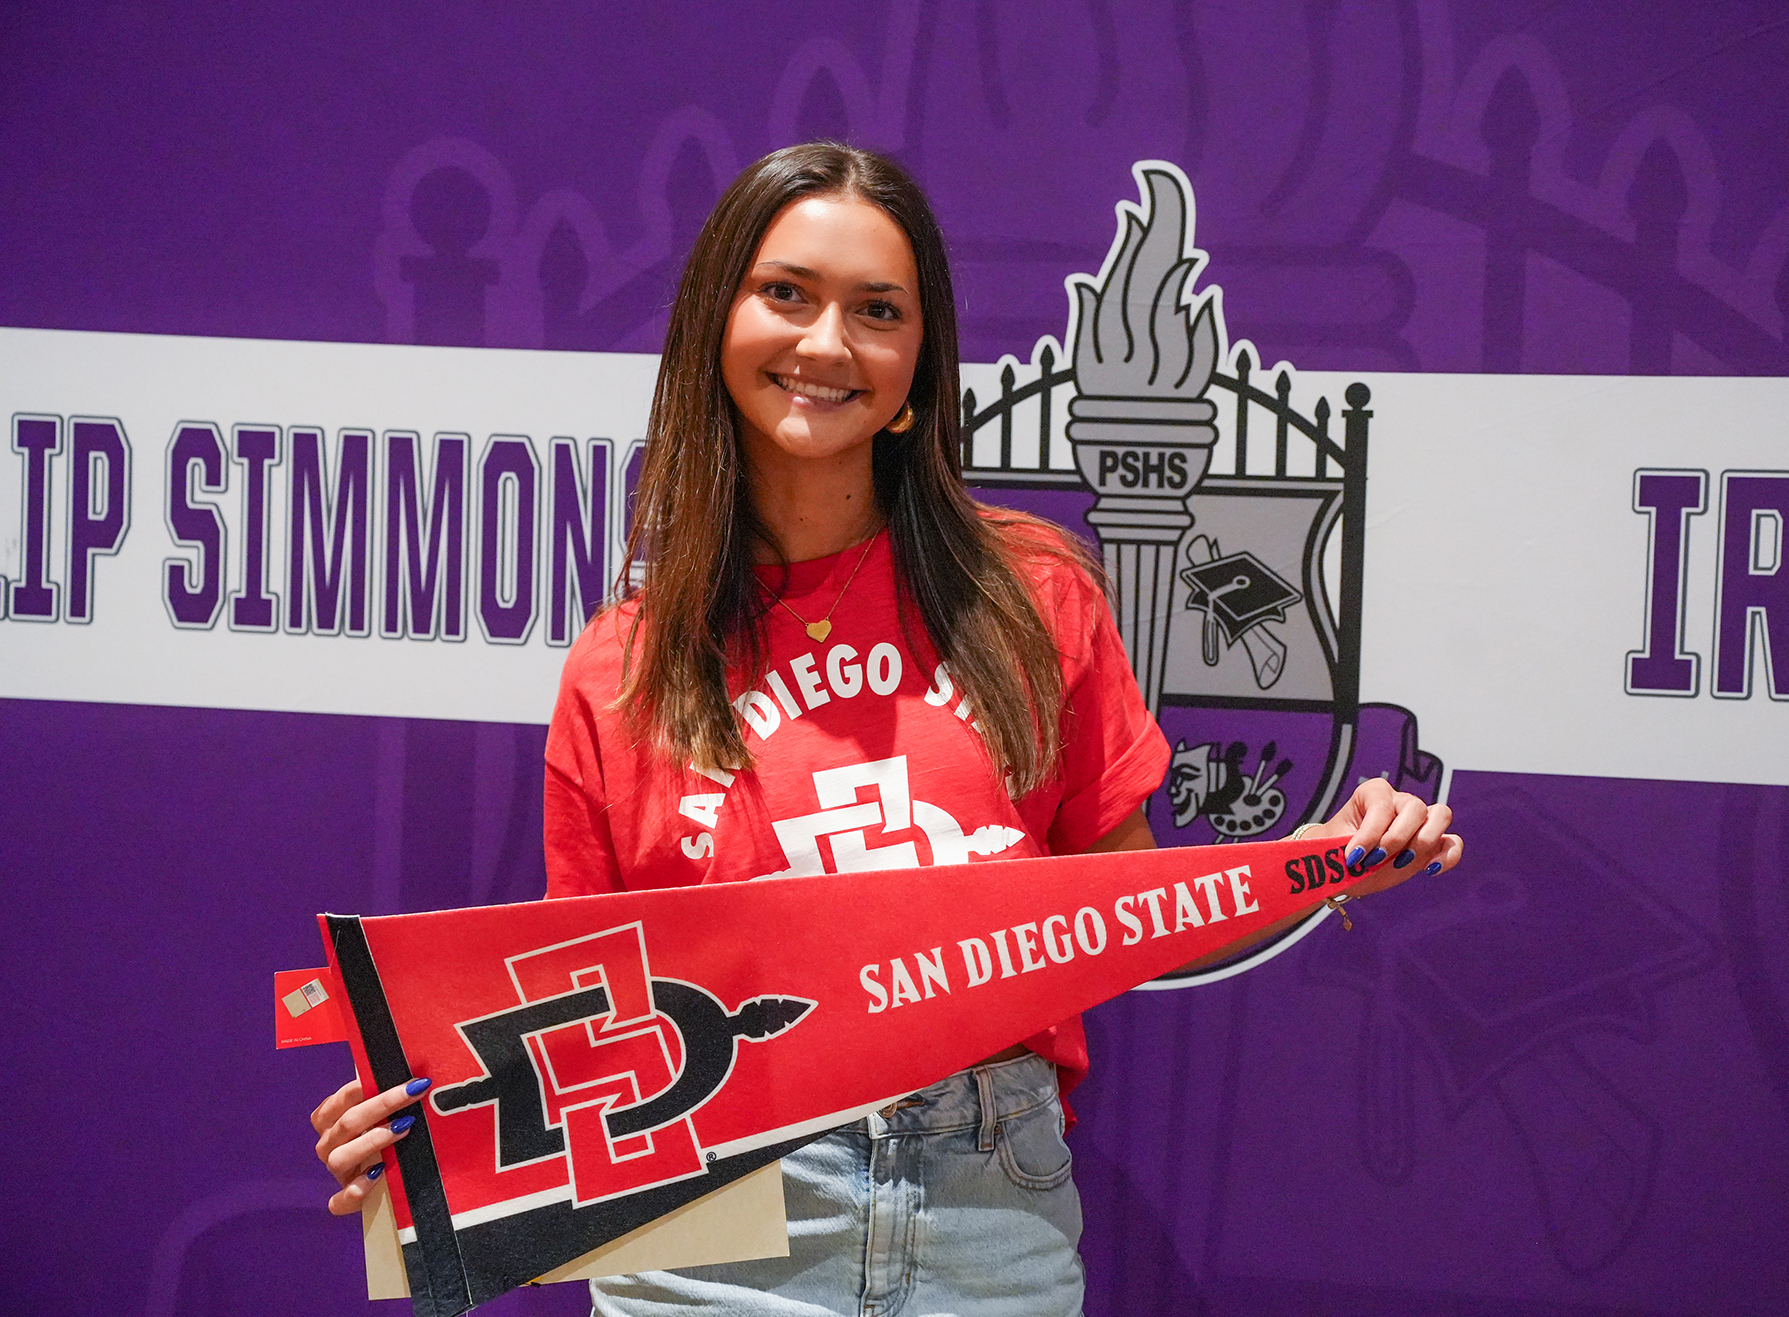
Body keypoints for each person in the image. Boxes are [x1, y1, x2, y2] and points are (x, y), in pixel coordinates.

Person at [310, 141, 1461, 1315]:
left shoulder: (1031, 595)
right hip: (715, 1226)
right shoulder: (625, 665)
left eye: (876, 311)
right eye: (787, 295)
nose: (825, 345)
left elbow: (1135, 909)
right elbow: (592, 1035)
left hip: (988, 1212)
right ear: (718, 319)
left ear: (917, 364)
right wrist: (416, 1131)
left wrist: (1318, 866)